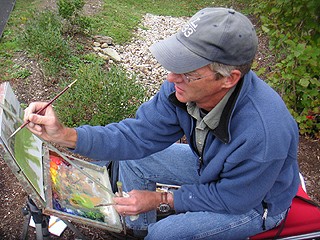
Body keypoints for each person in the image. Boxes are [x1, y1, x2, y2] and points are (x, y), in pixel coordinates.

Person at [24, 7, 300, 240]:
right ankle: (135, 228)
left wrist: (162, 200)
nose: (171, 78)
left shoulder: (264, 132)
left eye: (188, 73)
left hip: (255, 204)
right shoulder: (182, 89)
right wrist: (65, 135)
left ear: (228, 78)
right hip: (212, 166)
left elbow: (234, 198)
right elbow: (135, 136)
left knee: (166, 234)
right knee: (134, 161)